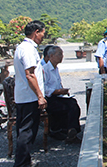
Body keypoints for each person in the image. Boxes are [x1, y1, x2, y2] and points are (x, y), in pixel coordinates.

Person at [13, 20, 47, 167]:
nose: (43, 37)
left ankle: (25, 161)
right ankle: (21, 164)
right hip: (29, 96)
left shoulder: (24, 47)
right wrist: (40, 96)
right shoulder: (27, 49)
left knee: (24, 130)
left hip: (24, 95)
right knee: (27, 132)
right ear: (36, 32)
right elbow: (30, 74)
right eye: (42, 34)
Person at [42, 46, 82, 142]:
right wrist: (57, 91)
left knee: (73, 103)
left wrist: (62, 91)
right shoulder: (45, 69)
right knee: (70, 106)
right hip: (49, 98)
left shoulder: (56, 69)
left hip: (58, 96)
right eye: (59, 54)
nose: (62, 56)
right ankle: (67, 130)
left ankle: (71, 130)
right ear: (51, 56)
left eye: (62, 54)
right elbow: (44, 88)